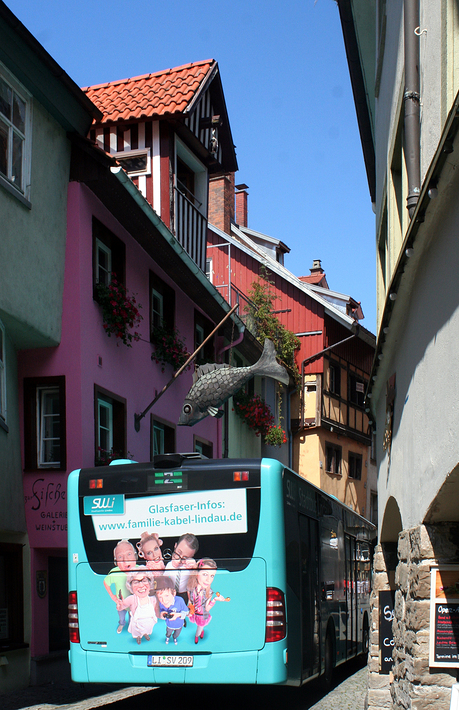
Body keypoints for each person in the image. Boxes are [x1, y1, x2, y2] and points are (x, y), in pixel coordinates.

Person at [187, 558, 230, 644]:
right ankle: (201, 631)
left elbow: (206, 609)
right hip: (194, 614)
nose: (208, 580)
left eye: (212, 576)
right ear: (196, 573)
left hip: (202, 615)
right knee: (199, 626)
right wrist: (190, 609)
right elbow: (190, 601)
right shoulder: (190, 588)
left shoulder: (209, 592)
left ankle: (196, 637)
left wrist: (214, 600)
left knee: (199, 627)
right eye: (205, 574)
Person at [103, 540, 138, 634]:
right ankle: (122, 624)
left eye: (129, 554)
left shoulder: (141, 570)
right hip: (121, 603)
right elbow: (106, 582)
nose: (125, 560)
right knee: (122, 618)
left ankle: (131, 626)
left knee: (133, 618)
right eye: (120, 557)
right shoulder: (115, 572)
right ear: (116, 562)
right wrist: (112, 596)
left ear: (136, 556)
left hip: (134, 604)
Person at [117, 570, 157, 644]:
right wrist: (120, 605)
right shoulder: (131, 599)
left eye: (144, 580)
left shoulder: (153, 599)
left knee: (147, 629)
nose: (141, 585)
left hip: (148, 622)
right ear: (131, 587)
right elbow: (121, 607)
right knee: (137, 632)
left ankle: (145, 634)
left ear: (150, 583)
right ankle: (138, 638)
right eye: (136, 582)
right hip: (137, 623)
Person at [165, 533, 199, 608]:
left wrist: (195, 568)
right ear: (175, 546)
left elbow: (197, 581)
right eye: (178, 553)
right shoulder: (169, 565)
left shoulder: (190, 566)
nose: (179, 560)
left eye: (185, 558)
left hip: (185, 595)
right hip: (171, 593)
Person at [155, 575, 189, 645]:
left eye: (166, 596)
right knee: (168, 632)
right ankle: (167, 637)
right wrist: (161, 615)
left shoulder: (179, 600)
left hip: (179, 624)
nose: (164, 601)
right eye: (160, 597)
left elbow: (187, 611)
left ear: (173, 593)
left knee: (177, 634)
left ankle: (175, 638)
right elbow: (160, 612)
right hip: (169, 624)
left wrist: (178, 615)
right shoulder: (161, 603)